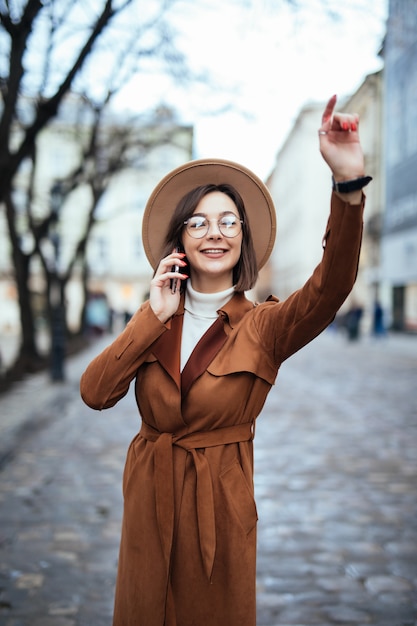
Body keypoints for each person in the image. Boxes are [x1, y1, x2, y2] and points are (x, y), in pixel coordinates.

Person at [80, 95, 372, 626]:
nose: (214, 233)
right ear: (180, 242)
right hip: (149, 502)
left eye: (228, 222)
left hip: (218, 507)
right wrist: (152, 315)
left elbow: (330, 288)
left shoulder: (264, 326)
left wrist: (348, 187)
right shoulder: (154, 318)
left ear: (244, 238)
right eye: (198, 223)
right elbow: (95, 392)